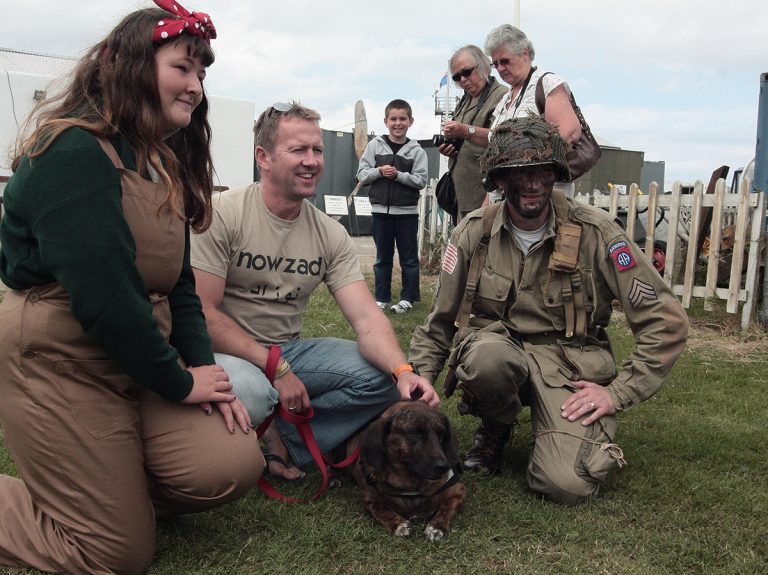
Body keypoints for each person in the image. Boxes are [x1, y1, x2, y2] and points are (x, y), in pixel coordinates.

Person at [0, 2, 264, 573]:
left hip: (135, 356)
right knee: (115, 555)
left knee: (231, 463)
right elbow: (106, 302)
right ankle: (96, 511)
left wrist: (206, 376)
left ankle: (109, 494)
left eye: (202, 74)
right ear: (130, 66)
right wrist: (175, 380)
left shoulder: (158, 161)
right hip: (62, 358)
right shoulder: (69, 152)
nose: (196, 86)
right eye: (183, 68)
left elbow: (182, 287)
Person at [409, 115, 688, 505]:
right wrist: (415, 385)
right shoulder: (474, 232)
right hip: (497, 353)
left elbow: (665, 321)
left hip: (567, 367)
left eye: (543, 171)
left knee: (565, 485)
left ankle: (556, 430)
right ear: (498, 179)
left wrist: (618, 393)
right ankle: (495, 427)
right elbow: (438, 322)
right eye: (519, 172)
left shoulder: (597, 232)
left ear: (556, 173)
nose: (534, 183)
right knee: (488, 358)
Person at [191, 101, 439, 481]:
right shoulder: (222, 213)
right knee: (254, 392)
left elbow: (368, 319)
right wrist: (276, 369)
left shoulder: (329, 232)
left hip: (289, 350)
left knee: (388, 382)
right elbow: (202, 314)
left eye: (318, 150)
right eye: (298, 150)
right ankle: (272, 426)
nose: (312, 161)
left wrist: (403, 370)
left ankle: (286, 438)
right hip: (225, 353)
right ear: (264, 157)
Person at [356, 99, 427, 314]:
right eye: (393, 119)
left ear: (411, 121)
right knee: (382, 258)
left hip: (407, 214)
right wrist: (378, 171)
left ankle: (408, 298)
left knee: (409, 258)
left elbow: (421, 180)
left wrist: (398, 176)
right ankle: (382, 298)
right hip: (380, 212)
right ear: (386, 121)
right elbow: (361, 174)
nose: (398, 123)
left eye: (402, 119)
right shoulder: (374, 145)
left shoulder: (417, 151)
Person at [437, 45, 506, 221]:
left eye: (467, 72)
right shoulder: (466, 99)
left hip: (484, 195)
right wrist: (449, 146)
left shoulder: (502, 96)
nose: (463, 80)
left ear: (483, 66)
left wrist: (465, 130)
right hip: (461, 195)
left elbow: (502, 139)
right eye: (457, 77)